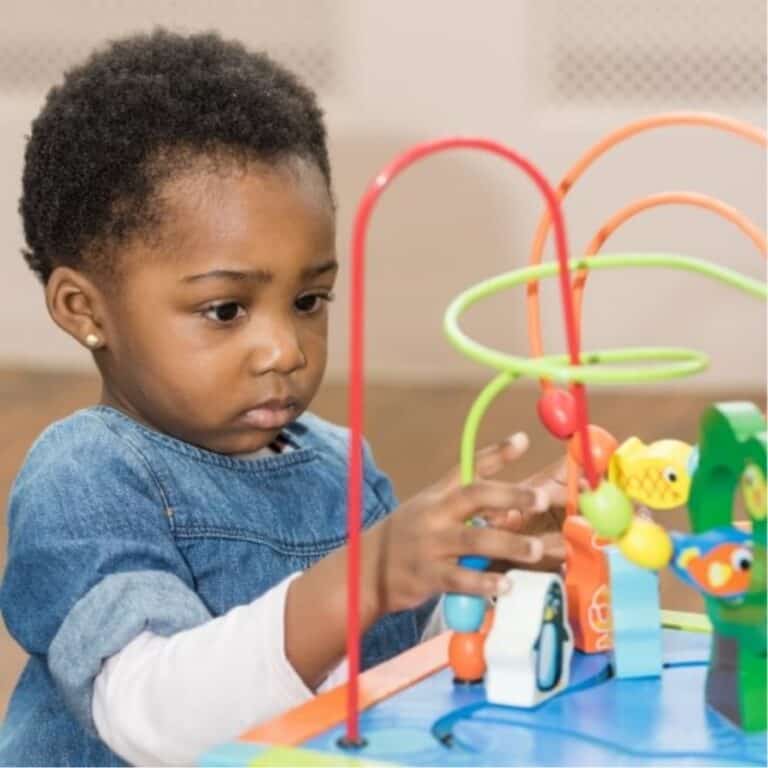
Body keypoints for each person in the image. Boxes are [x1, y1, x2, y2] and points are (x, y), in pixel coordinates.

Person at [0, 29, 565, 766]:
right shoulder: (85, 477)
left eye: (309, 299)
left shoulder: (339, 465)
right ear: (84, 309)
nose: (287, 350)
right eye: (226, 310)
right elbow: (150, 720)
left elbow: (391, 681)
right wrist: (366, 576)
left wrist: (494, 572)